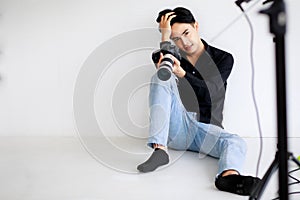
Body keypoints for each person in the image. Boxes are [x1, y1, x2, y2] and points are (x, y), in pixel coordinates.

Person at [137, 7, 261, 196]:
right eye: (176, 38)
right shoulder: (172, 57)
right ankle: (160, 149)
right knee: (161, 77)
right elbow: (163, 68)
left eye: (186, 33)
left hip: (206, 129)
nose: (184, 43)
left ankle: (228, 177)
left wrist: (183, 74)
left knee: (236, 142)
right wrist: (165, 38)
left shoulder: (223, 58)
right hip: (176, 127)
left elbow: (211, 90)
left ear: (196, 25)